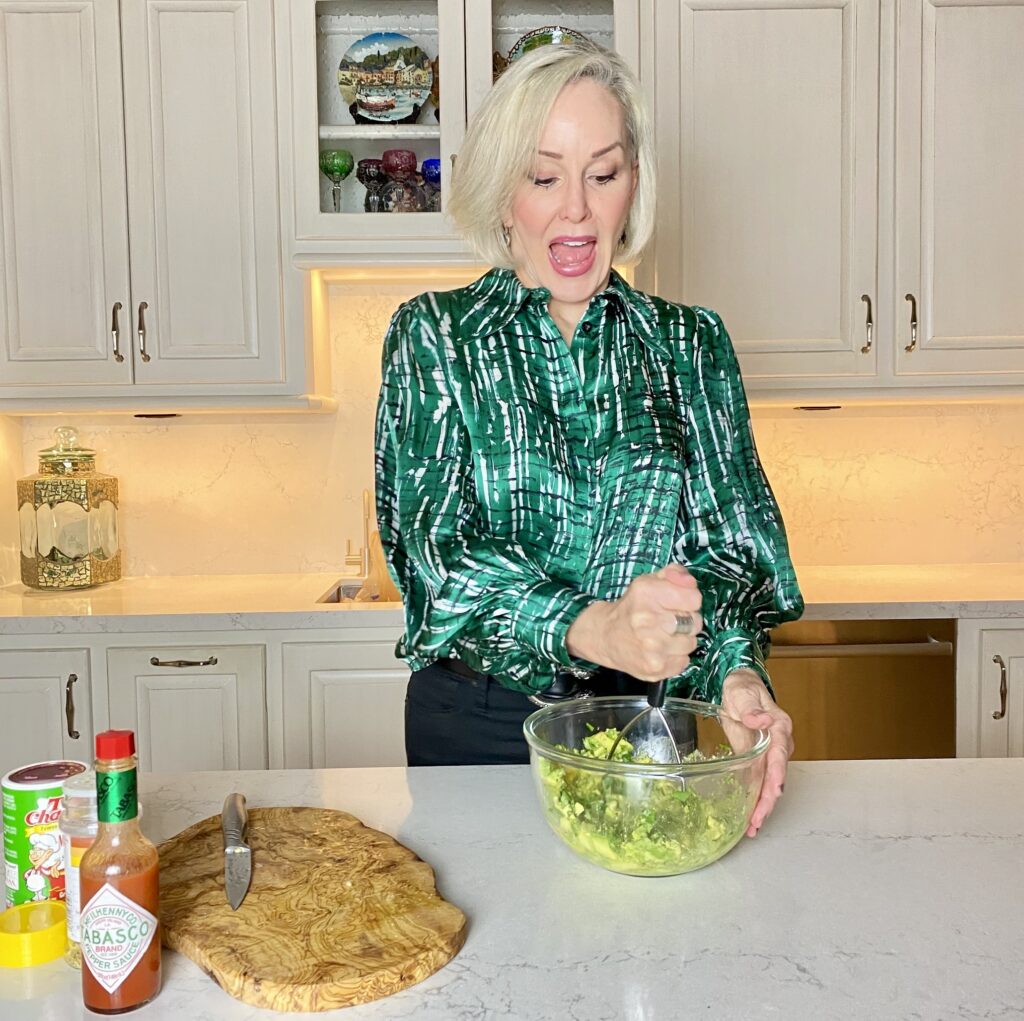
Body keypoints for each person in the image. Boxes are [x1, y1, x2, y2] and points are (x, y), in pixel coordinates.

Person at [375, 39, 804, 835]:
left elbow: (731, 555)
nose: (575, 207)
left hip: (644, 717)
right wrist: (595, 624)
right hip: (475, 725)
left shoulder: (689, 344)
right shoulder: (436, 337)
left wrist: (738, 676)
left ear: (631, 187)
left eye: (602, 174)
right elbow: (436, 563)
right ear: (505, 195)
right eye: (544, 177)